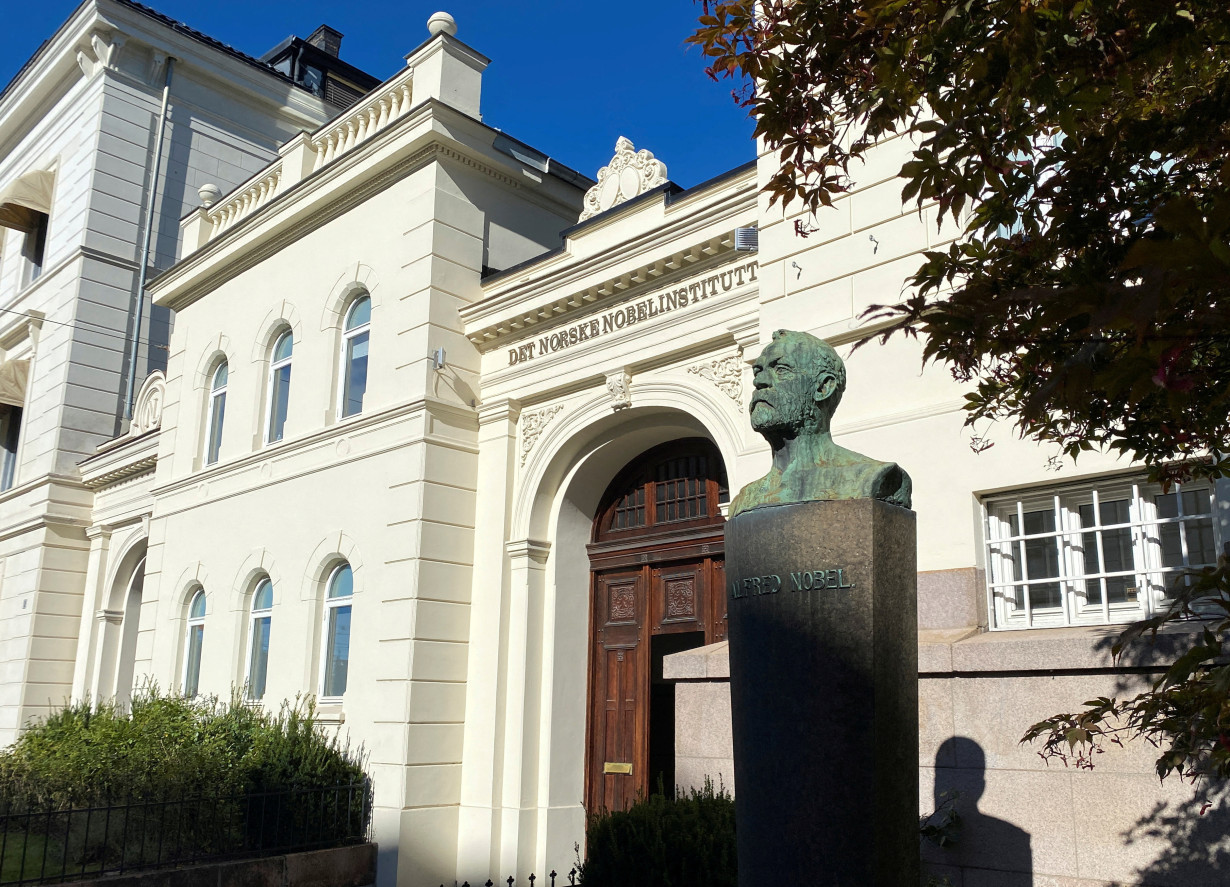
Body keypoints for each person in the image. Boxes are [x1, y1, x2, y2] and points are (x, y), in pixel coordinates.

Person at [730, 329, 911, 516]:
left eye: (781, 370)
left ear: (824, 387)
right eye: (758, 372)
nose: (760, 381)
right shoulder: (744, 500)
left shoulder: (872, 479)